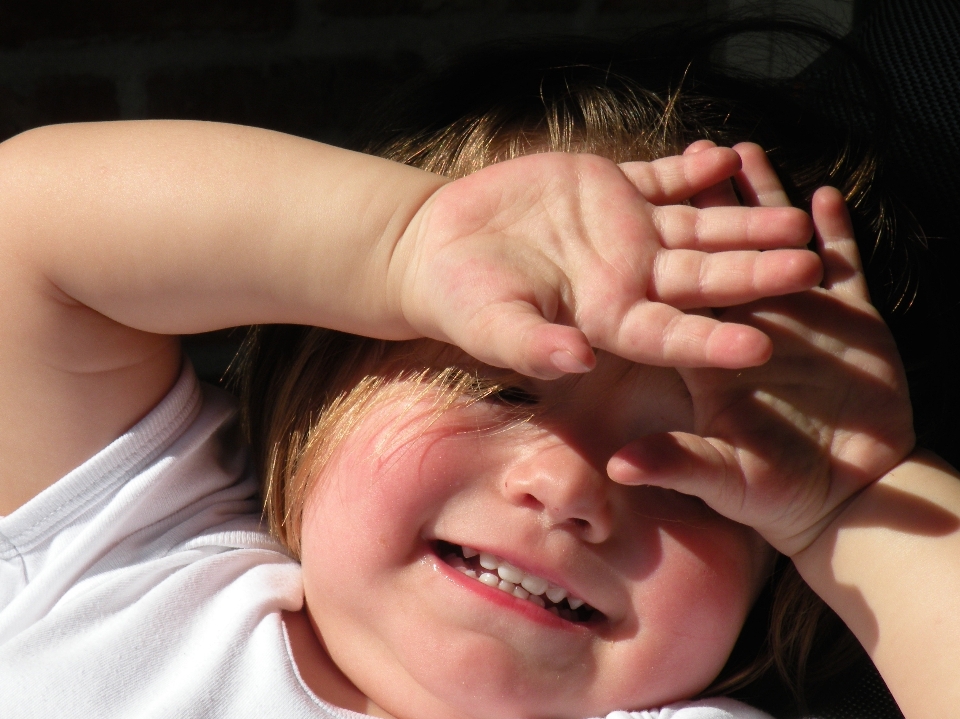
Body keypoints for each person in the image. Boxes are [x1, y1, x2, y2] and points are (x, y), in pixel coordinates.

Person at [0, 41, 956, 719]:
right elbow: (25, 237)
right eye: (503, 386)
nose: (574, 485)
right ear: (325, 376)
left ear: (774, 579)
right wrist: (399, 242)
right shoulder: (119, 572)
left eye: (690, 473)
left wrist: (859, 506)